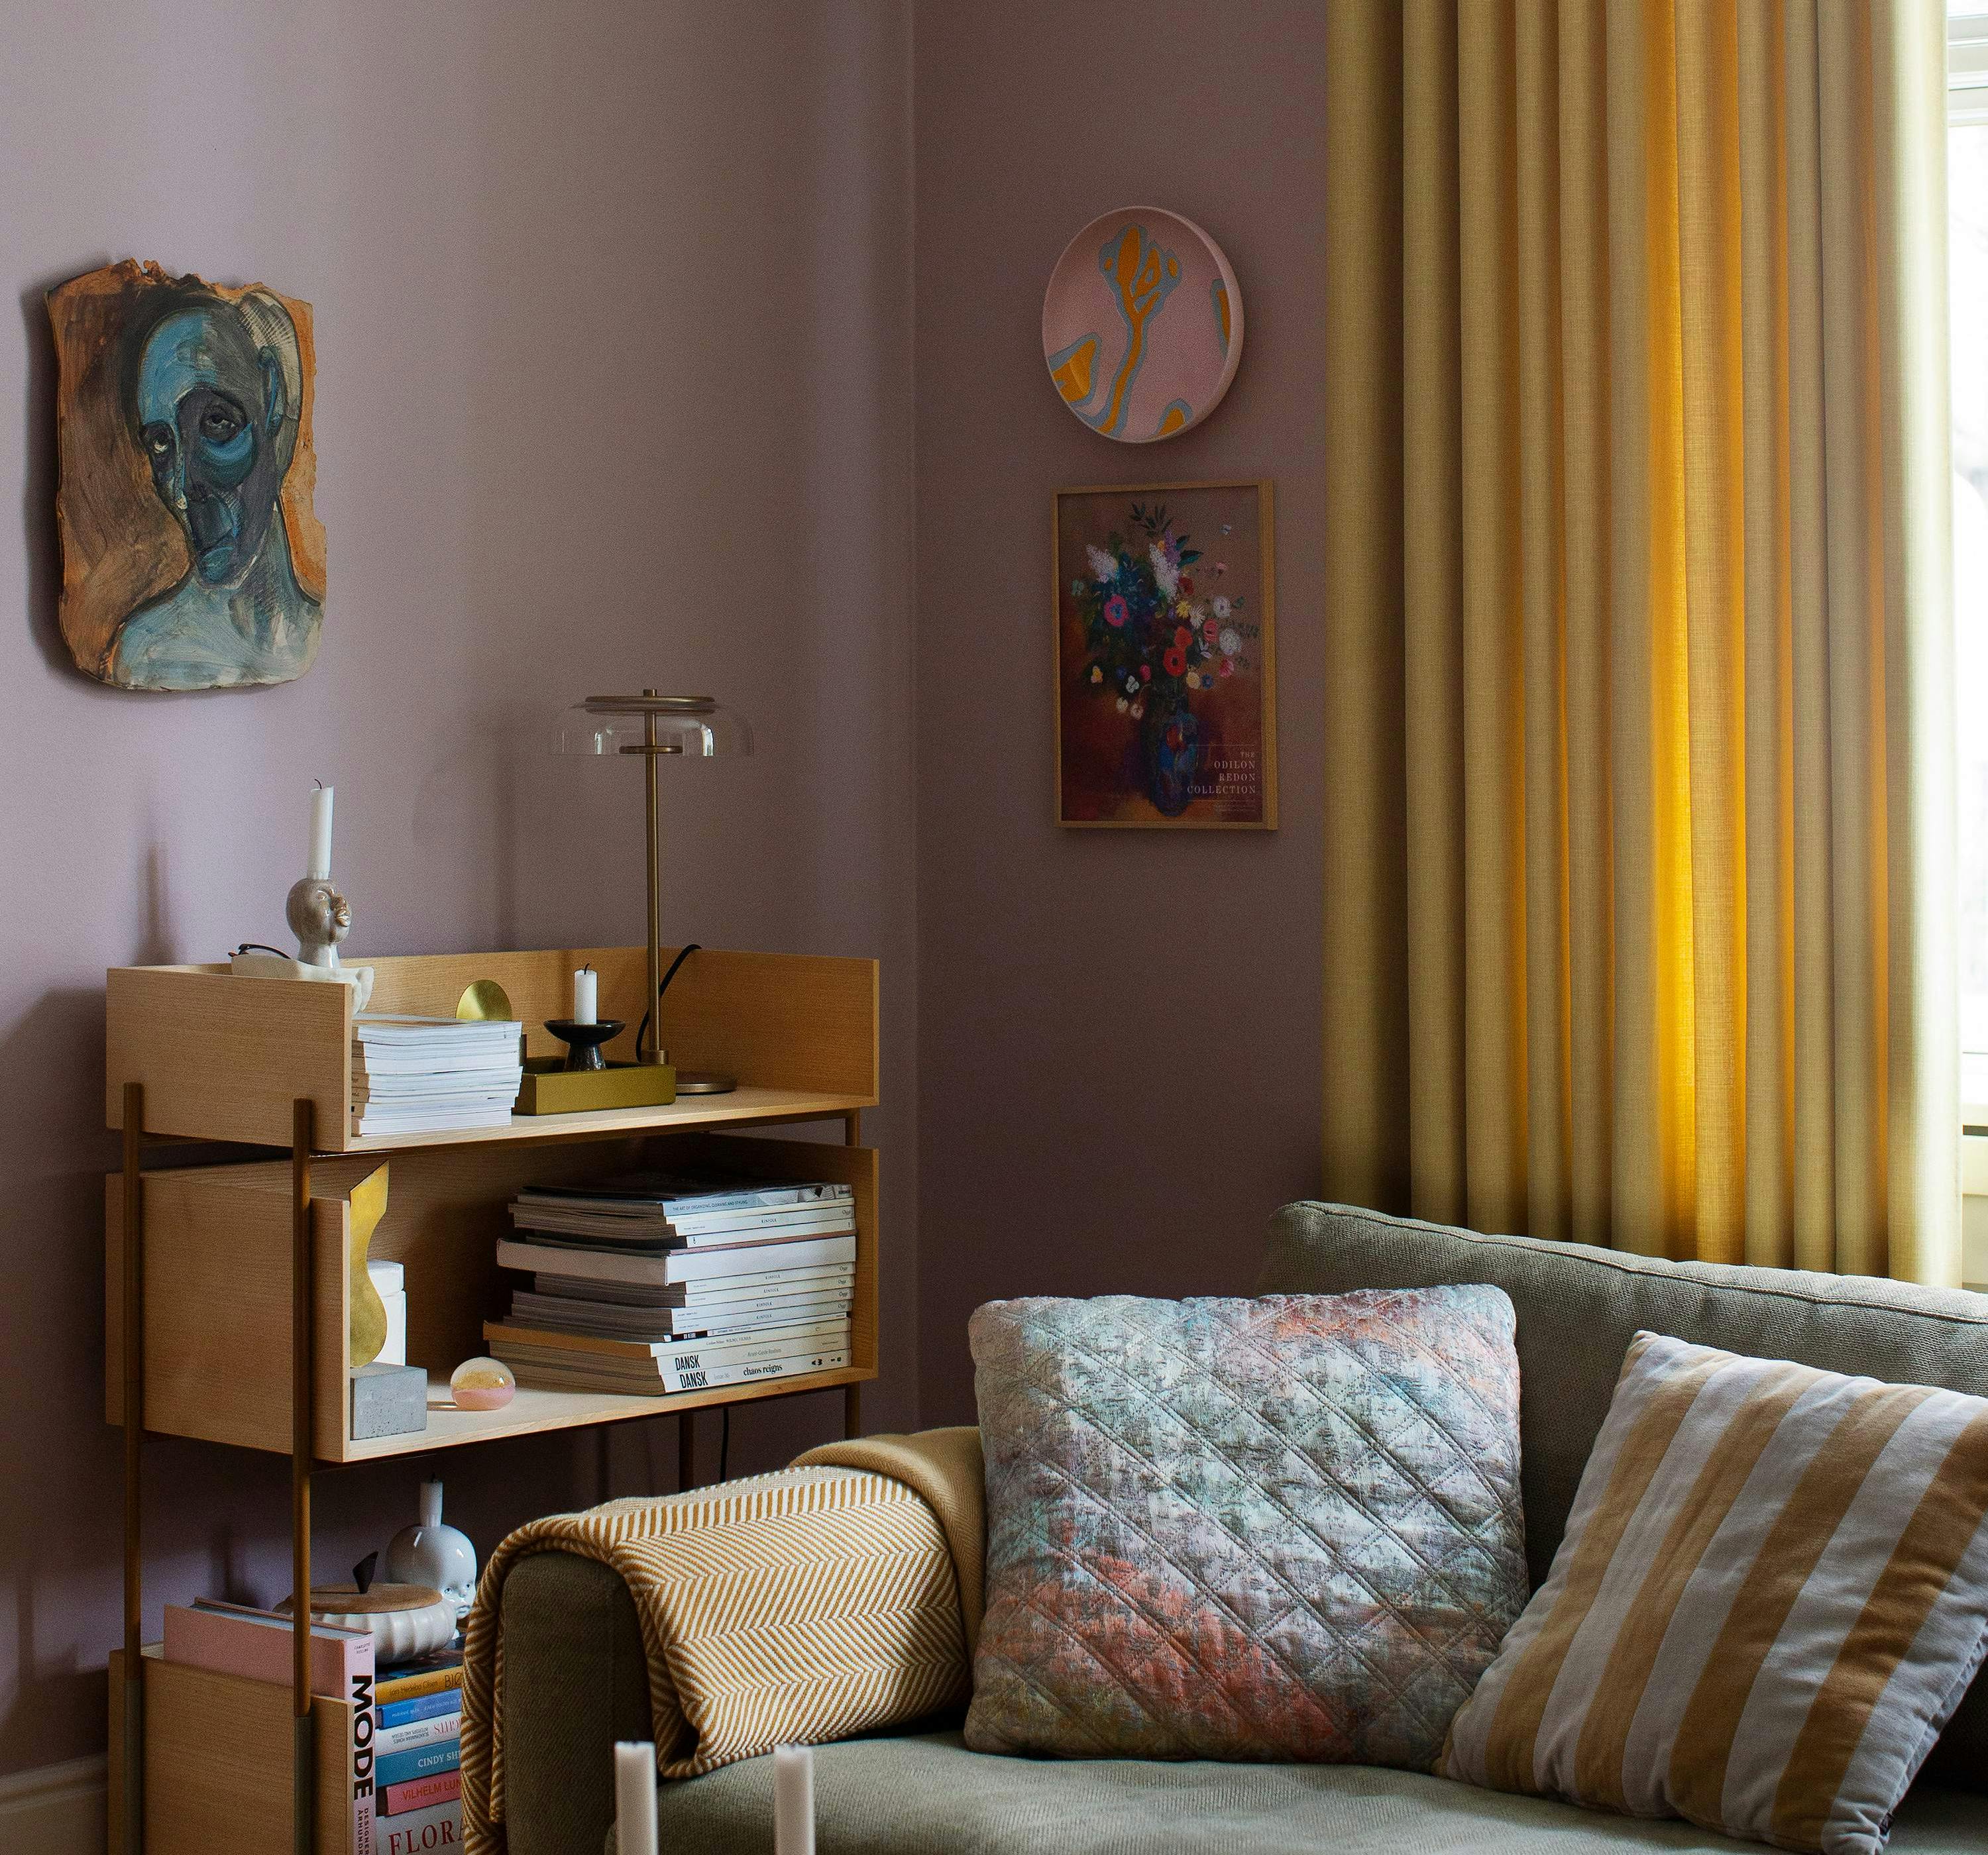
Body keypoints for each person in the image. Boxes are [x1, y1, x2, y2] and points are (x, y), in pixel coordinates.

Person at [102, 290, 321, 690]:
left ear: (272, 398)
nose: (185, 488)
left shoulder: (313, 638)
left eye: (217, 423)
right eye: (161, 444)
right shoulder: (143, 654)